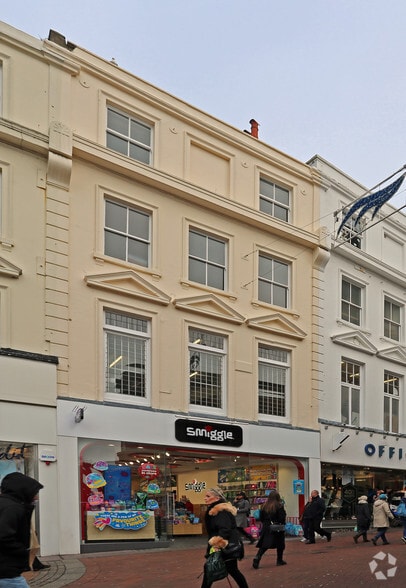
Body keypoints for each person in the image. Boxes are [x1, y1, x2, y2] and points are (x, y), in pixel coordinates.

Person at [0, 472, 44, 588]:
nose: (37, 497)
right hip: (7, 571)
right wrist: (23, 551)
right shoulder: (13, 508)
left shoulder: (7, 504)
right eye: (35, 493)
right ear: (24, 491)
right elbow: (4, 536)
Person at [200, 487, 248, 588]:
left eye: (208, 496)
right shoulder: (216, 510)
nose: (205, 498)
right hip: (224, 545)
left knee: (212, 570)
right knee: (230, 570)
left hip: (225, 546)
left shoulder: (220, 511)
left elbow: (225, 529)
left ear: (217, 498)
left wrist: (217, 545)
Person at [252, 491, 287, 568]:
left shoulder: (264, 506)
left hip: (266, 526)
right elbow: (281, 517)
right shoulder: (279, 505)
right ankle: (279, 560)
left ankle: (258, 556)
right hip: (277, 527)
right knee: (280, 544)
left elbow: (261, 517)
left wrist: (265, 523)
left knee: (265, 544)